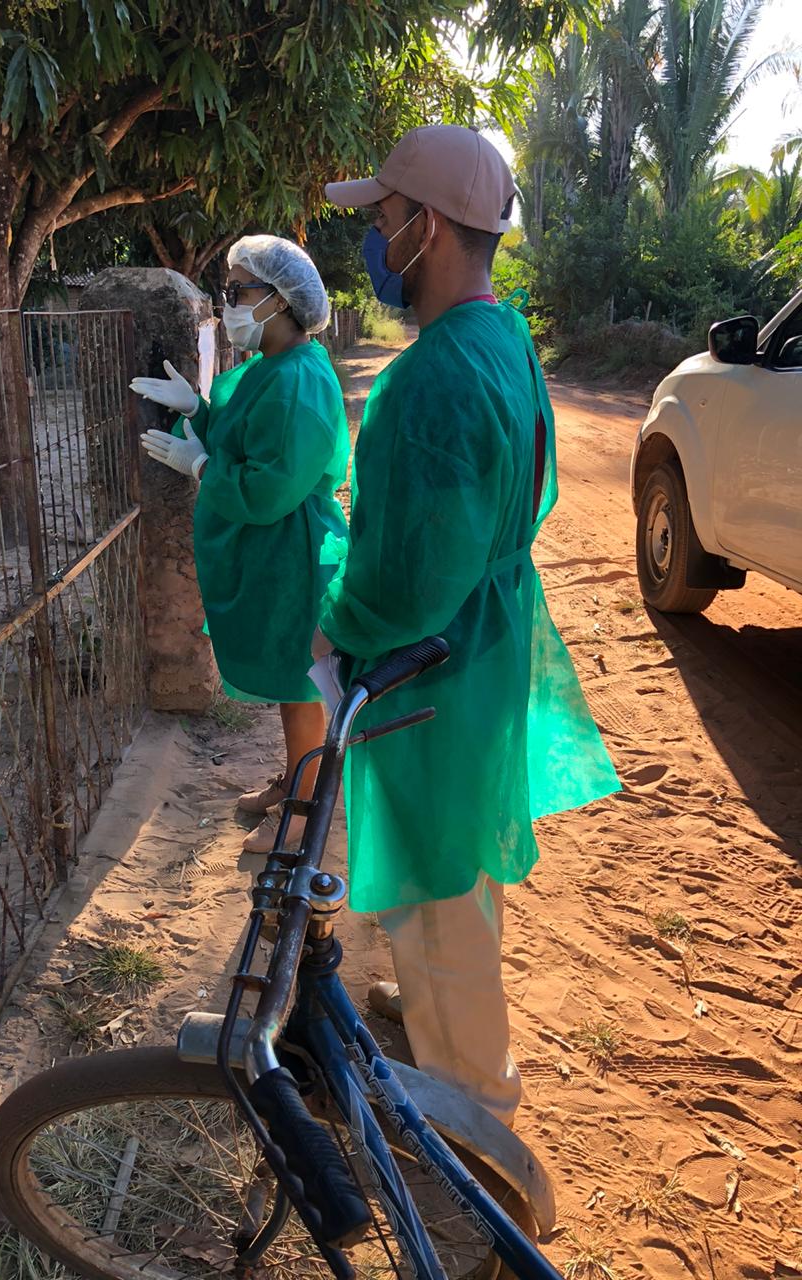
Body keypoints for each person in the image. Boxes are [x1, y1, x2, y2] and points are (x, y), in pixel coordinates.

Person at [315, 125, 620, 1127]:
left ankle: (481, 1130)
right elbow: (526, 501)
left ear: (426, 227)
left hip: (431, 671)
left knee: (441, 893)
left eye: (381, 218)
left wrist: (335, 625)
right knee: (464, 879)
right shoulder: (503, 334)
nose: (373, 235)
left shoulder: (430, 380)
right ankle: (438, 1019)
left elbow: (406, 583)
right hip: (486, 646)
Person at [132, 235, 349, 854]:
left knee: (302, 684)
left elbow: (273, 485)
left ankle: (309, 811)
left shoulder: (302, 379)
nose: (227, 304)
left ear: (280, 300)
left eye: (238, 292)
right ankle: (293, 780)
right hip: (270, 553)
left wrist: (202, 468)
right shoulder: (268, 370)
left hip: (293, 551)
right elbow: (238, 433)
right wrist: (196, 411)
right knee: (288, 681)